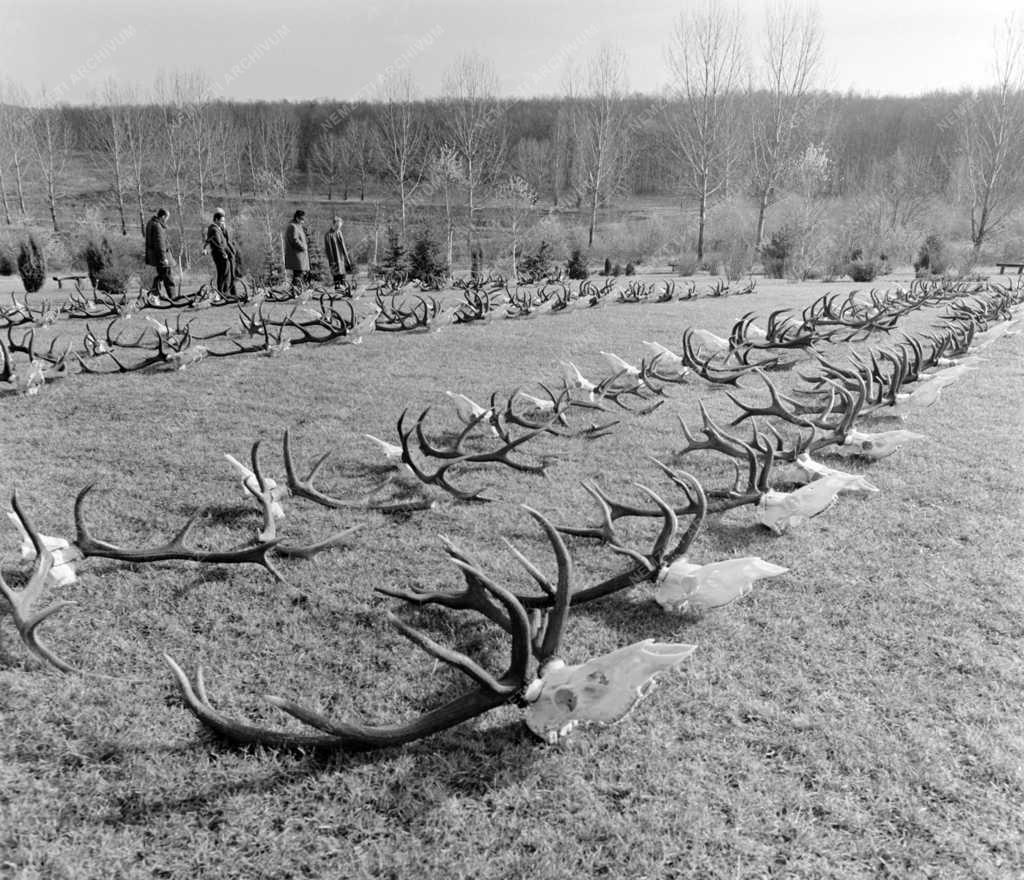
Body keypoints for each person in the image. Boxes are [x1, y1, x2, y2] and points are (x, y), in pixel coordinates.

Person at [203, 210, 236, 296]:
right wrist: (223, 253)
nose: (222, 223)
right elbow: (218, 243)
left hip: (221, 254)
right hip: (220, 255)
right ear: (216, 220)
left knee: (225, 273)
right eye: (221, 221)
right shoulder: (214, 229)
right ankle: (221, 292)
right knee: (223, 274)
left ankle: (224, 292)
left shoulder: (217, 228)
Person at [144, 208, 174, 297]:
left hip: (155, 256)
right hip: (161, 256)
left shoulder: (151, 223)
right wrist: (164, 258)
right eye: (167, 217)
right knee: (168, 277)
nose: (167, 220)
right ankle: (173, 297)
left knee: (161, 276)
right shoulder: (157, 226)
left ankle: (154, 294)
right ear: (163, 216)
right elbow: (160, 243)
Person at [323, 215, 354, 293]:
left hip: (341, 259)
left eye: (339, 227)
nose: (338, 228)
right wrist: (333, 263)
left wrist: (347, 260)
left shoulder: (339, 233)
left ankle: (344, 292)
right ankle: (339, 292)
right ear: (333, 225)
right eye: (337, 226)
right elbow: (329, 251)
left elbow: (343, 247)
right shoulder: (328, 235)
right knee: (337, 278)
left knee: (343, 277)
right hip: (334, 260)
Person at [284, 209, 309, 289]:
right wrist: (303, 247)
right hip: (296, 256)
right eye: (302, 219)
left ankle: (295, 291)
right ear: (297, 218)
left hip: (299, 255)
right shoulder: (293, 226)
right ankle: (294, 291)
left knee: (298, 274)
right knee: (298, 274)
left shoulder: (298, 226)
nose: (303, 222)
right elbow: (294, 240)